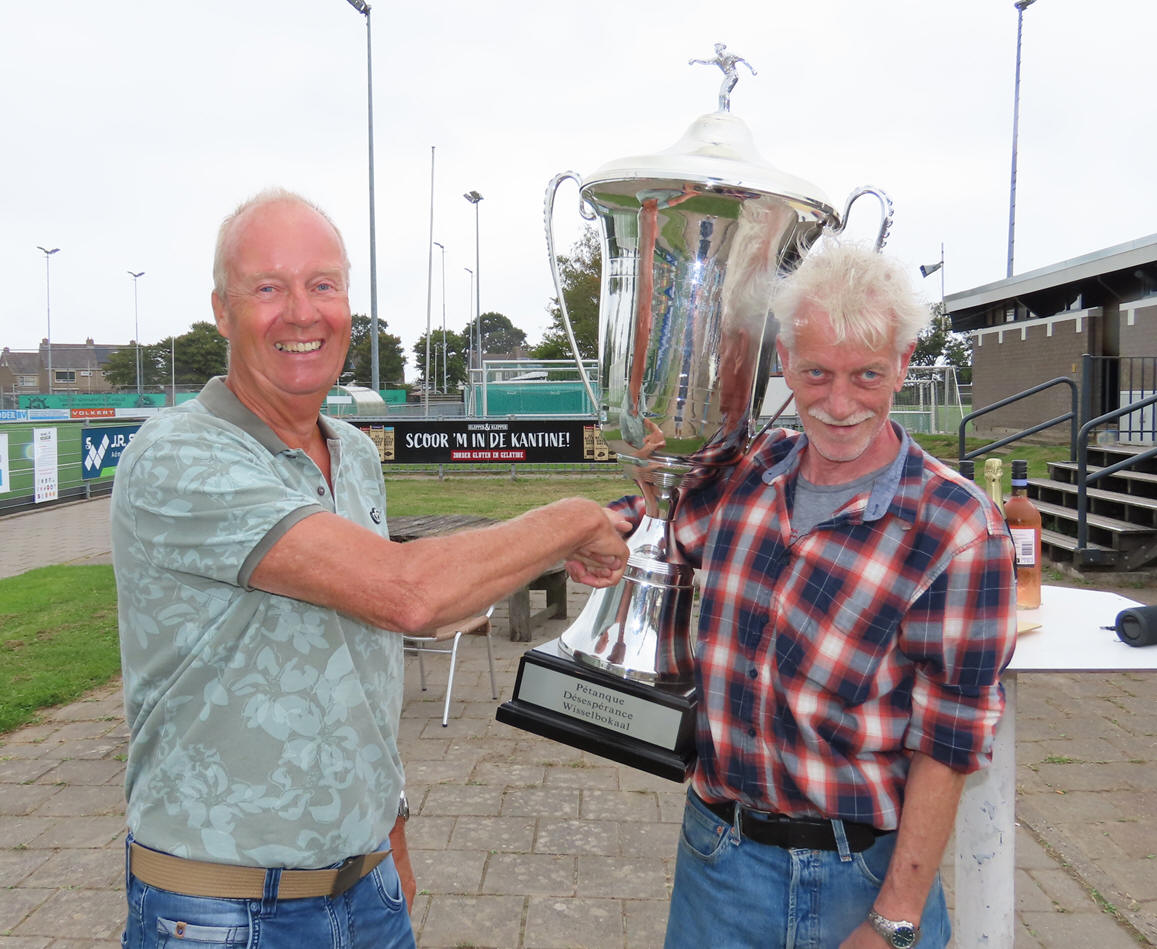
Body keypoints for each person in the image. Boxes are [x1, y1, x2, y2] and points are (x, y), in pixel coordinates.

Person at [110, 188, 628, 948]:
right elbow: (405, 594)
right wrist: (573, 521)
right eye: (268, 288)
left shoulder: (351, 452)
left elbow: (367, 659)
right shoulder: (178, 455)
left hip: (365, 887)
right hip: (223, 910)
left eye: (322, 284)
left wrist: (392, 830)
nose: (301, 313)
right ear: (222, 311)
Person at [610, 241, 1017, 948]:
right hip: (718, 859)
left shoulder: (957, 526)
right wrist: (593, 526)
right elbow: (648, 523)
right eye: (816, 372)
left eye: (866, 375)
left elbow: (950, 737)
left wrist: (894, 919)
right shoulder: (744, 474)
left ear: (903, 362)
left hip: (863, 872)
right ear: (784, 361)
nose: (838, 403)